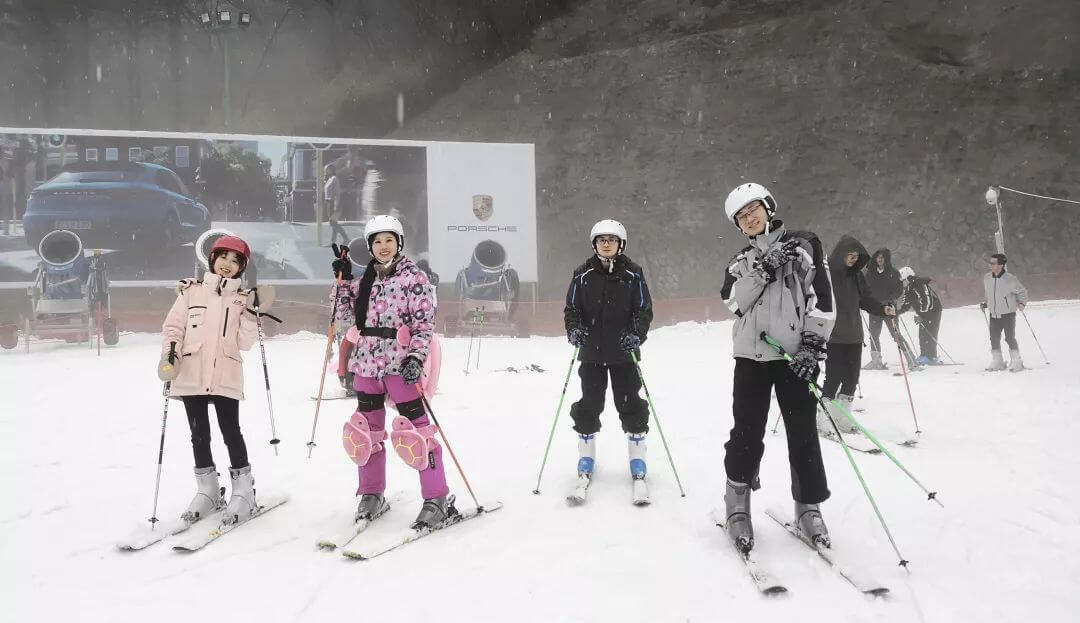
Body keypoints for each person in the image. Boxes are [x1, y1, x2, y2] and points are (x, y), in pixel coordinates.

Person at [719, 183, 835, 553]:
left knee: (803, 433)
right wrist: (763, 269)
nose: (749, 218)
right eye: (741, 217)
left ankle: (808, 507)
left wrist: (812, 345)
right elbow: (734, 303)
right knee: (746, 433)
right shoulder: (740, 262)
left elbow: (823, 299)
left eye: (753, 210)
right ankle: (737, 505)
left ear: (768, 208)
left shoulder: (804, 246)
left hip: (794, 359)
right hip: (751, 359)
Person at [331, 215, 450, 529]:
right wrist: (342, 281)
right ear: (370, 247)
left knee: (417, 434)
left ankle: (436, 497)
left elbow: (424, 325)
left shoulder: (414, 278)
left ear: (399, 243)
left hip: (400, 364)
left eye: (389, 240)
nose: (383, 246)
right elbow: (342, 315)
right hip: (367, 365)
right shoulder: (364, 281)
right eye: (377, 242)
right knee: (365, 434)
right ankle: (371, 493)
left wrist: (416, 358)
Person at [158, 235, 276, 527]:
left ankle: (244, 491)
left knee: (231, 432)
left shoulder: (242, 299)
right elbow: (173, 327)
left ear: (241, 268)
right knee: (198, 433)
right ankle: (208, 491)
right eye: (223, 257)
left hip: (226, 372)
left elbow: (245, 342)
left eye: (235, 261)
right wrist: (171, 355)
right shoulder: (190, 292)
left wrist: (253, 313)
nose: (227, 264)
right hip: (192, 371)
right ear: (212, 259)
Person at [563, 219, 654, 489]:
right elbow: (572, 309)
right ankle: (586, 457)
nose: (606, 244)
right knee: (590, 403)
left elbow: (643, 309)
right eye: (601, 240)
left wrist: (635, 333)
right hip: (591, 354)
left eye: (611, 240)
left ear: (620, 244)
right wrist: (575, 330)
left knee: (630, 404)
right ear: (594, 244)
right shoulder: (583, 274)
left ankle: (637, 459)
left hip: (624, 354)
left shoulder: (632, 273)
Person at [818, 236, 894, 435]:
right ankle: (824, 419)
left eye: (856, 256)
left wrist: (882, 309)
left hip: (854, 335)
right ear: (840, 254)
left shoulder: (857, 276)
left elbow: (866, 300)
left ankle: (843, 418)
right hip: (833, 335)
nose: (853, 259)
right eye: (850, 255)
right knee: (833, 377)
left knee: (852, 378)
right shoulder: (826, 275)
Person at [862, 248, 917, 370]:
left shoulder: (893, 273)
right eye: (878, 257)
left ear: (886, 259)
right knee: (873, 335)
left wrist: (891, 300)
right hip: (875, 308)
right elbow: (865, 288)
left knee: (896, 334)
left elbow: (898, 290)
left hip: (889, 308)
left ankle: (911, 360)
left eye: (882, 257)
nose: (880, 259)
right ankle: (876, 361)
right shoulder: (870, 273)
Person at [981, 253, 1029, 372]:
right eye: (990, 263)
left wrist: (1022, 303)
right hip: (993, 313)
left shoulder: (1010, 279)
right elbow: (988, 293)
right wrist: (986, 303)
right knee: (994, 338)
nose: (990, 265)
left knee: (1009, 338)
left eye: (993, 263)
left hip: (1008, 313)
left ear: (1001, 265)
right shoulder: (987, 278)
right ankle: (998, 361)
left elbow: (1022, 291)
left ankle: (1016, 361)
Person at [897, 266, 944, 365]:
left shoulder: (919, 284)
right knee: (922, 334)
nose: (901, 283)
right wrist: (897, 312)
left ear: (908, 278)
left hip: (933, 311)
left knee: (929, 333)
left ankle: (931, 357)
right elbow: (906, 303)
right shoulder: (908, 288)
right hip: (924, 312)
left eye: (903, 280)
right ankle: (924, 355)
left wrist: (922, 315)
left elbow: (927, 300)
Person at [326, 164, 349, 246]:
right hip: (329, 202)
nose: (325, 170)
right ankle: (332, 242)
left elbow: (338, 192)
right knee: (334, 223)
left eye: (327, 169)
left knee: (332, 222)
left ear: (331, 170)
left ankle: (346, 238)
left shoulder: (334, 178)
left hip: (334, 202)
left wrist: (336, 203)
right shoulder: (329, 179)